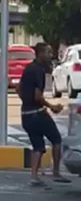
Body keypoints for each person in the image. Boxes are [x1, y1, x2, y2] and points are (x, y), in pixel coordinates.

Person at [16, 42, 71, 186]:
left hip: (26, 114)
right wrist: (52, 106)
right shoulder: (38, 71)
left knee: (38, 146)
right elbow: (37, 96)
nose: (50, 55)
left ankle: (34, 176)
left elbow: (19, 89)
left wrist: (26, 101)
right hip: (38, 114)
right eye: (48, 52)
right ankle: (56, 172)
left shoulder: (28, 68)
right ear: (40, 54)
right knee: (57, 140)